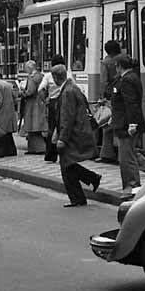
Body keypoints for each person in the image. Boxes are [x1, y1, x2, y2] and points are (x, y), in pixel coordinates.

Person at [52, 64, 101, 207]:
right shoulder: (72, 88)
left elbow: (67, 117)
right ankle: (89, 182)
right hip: (76, 132)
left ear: (55, 77)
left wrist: (62, 138)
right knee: (68, 165)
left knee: (66, 165)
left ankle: (79, 195)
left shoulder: (67, 92)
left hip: (72, 134)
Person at [110, 55, 145, 193]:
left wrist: (132, 123)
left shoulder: (127, 80)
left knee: (126, 158)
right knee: (130, 152)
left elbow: (131, 103)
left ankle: (132, 185)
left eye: (116, 66)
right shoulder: (130, 78)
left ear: (119, 66)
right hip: (124, 121)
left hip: (126, 124)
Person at [97, 40, 122, 163]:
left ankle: (107, 153)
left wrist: (102, 97)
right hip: (123, 94)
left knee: (106, 125)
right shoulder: (125, 58)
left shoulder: (106, 62)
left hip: (111, 96)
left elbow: (103, 81)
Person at [39, 54, 67, 162]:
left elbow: (40, 89)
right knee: (63, 127)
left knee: (51, 128)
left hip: (53, 102)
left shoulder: (48, 75)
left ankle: (51, 155)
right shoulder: (67, 73)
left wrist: (45, 100)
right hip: (64, 100)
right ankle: (64, 153)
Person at [21, 60, 48, 154]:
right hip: (40, 103)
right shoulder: (40, 75)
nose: (25, 70)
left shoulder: (32, 77)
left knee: (33, 126)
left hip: (32, 104)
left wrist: (23, 93)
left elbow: (30, 91)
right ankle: (32, 148)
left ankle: (38, 148)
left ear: (29, 68)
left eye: (26, 68)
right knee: (34, 127)